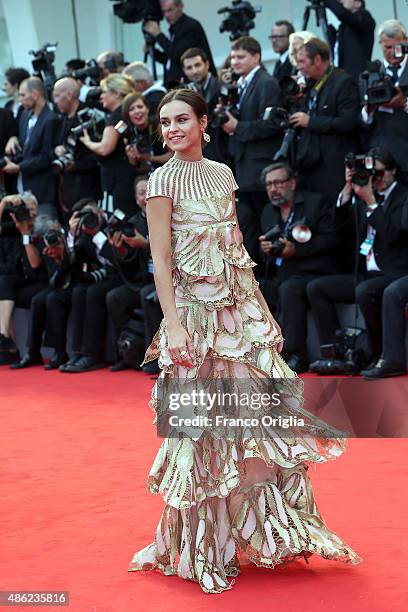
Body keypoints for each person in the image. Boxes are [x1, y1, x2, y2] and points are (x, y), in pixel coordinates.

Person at [127, 88, 361, 593]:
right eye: (164, 122)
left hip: (238, 317)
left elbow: (236, 250)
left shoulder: (224, 174)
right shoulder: (161, 181)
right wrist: (174, 325)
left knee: (253, 421)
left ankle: (259, 531)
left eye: (182, 119)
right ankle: (204, 545)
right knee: (200, 430)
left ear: (203, 122)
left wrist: (260, 313)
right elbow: (161, 262)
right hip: (192, 316)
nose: (171, 129)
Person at [307, 148, 408, 369]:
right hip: (368, 272)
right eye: (372, 174)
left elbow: (393, 235)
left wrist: (371, 202)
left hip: (395, 272)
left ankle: (378, 353)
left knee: (365, 291)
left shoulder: (403, 196)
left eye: (380, 174)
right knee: (317, 288)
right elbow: (339, 229)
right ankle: (334, 354)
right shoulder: (365, 194)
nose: (375, 179)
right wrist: (347, 190)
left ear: (393, 171)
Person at [259, 162, 336, 373]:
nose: (273, 189)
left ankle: (294, 355)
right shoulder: (268, 211)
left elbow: (332, 241)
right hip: (283, 273)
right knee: (252, 289)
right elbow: (268, 249)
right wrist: (265, 248)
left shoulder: (316, 203)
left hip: (313, 272)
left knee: (289, 289)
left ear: (292, 183)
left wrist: (297, 250)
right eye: (268, 185)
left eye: (278, 183)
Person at [220, 36, 282, 261]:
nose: (235, 61)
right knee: (249, 221)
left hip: (260, 165)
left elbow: (273, 123)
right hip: (245, 165)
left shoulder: (266, 82)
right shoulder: (241, 84)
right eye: (233, 57)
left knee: (265, 218)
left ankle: (268, 269)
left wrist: (239, 127)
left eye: (241, 57)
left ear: (256, 56)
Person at [289, 38, 360, 203]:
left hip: (334, 166)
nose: (298, 67)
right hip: (312, 166)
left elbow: (348, 123)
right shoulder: (313, 84)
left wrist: (310, 122)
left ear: (318, 59)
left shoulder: (343, 82)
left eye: (302, 61)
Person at [79, 73, 136, 214]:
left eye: (104, 92)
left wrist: (88, 142)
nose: (101, 96)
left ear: (116, 93)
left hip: (119, 180)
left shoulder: (117, 115)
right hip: (129, 175)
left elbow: (105, 148)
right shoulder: (129, 111)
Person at [360, 20, 408, 184]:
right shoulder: (368, 76)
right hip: (382, 158)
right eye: (387, 48)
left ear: (406, 42)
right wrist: (369, 109)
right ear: (380, 45)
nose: (393, 53)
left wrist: (404, 103)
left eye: (397, 47)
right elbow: (361, 121)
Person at [3, 77, 60, 209]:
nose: (20, 100)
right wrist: (13, 138)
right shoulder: (25, 116)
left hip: (42, 190)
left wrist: (19, 167)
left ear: (35, 94)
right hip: (22, 188)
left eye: (23, 95)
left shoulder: (50, 119)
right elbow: (24, 145)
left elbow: (47, 156)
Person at [52, 77, 101, 225]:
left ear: (69, 95)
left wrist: (77, 165)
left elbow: (99, 154)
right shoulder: (63, 119)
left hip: (88, 189)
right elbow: (58, 145)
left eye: (57, 95)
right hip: (68, 189)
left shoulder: (89, 117)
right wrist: (58, 149)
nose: (55, 101)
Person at [143, 0, 216, 87]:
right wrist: (154, 53)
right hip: (175, 85)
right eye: (164, 12)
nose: (166, 15)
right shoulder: (174, 29)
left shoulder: (190, 26)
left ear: (180, 6)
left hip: (196, 85)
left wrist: (158, 34)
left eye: (170, 10)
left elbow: (177, 55)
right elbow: (170, 61)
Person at [181, 47, 228, 162]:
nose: (194, 71)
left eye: (197, 65)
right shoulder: (185, 93)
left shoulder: (222, 87)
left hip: (222, 153)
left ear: (207, 64)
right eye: (189, 68)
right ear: (184, 71)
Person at [324, 0, 375, 82]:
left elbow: (343, 14)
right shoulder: (344, 26)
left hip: (356, 78)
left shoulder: (364, 17)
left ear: (358, 3)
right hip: (341, 77)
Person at [122, 92, 172, 176]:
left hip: (171, 171)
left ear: (147, 109)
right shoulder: (131, 134)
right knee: (140, 186)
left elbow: (174, 155)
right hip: (153, 175)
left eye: (140, 107)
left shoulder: (159, 126)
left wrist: (150, 158)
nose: (137, 111)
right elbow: (142, 169)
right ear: (128, 114)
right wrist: (135, 160)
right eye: (131, 109)